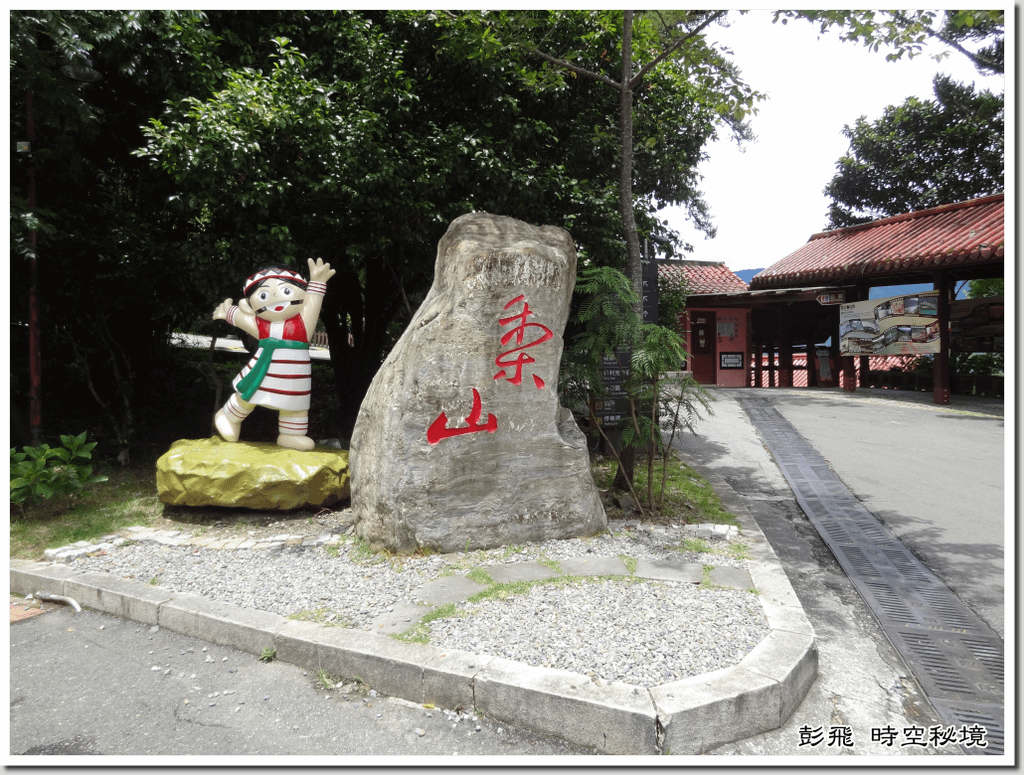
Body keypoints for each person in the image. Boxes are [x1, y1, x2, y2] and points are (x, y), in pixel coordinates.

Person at [212, 258, 335, 451]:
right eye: (263, 295)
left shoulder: (303, 324)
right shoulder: (262, 325)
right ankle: (228, 416)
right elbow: (242, 319)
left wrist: (317, 283)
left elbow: (313, 303)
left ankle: (291, 435)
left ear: (301, 292)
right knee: (248, 395)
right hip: (264, 369)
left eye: (286, 291)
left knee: (295, 404)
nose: (277, 298)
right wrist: (227, 311)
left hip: (295, 374)